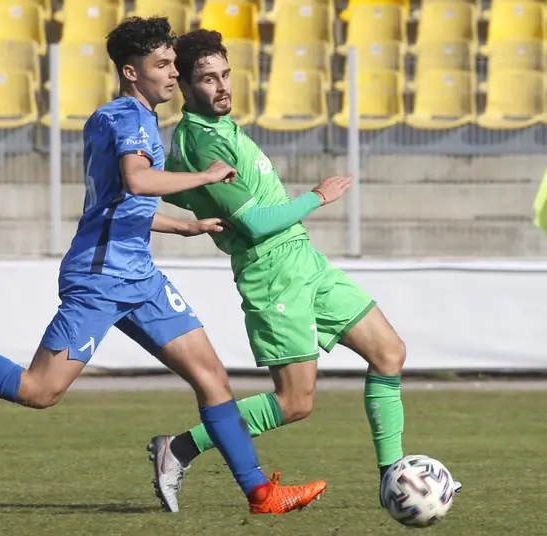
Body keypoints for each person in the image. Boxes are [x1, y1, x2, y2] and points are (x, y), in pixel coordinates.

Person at [0, 17, 326, 515]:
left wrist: (182, 226)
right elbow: (138, 181)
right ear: (131, 71)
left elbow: (119, 203)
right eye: (162, 64)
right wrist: (204, 176)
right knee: (39, 389)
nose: (172, 72)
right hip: (102, 277)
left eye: (172, 64)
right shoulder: (130, 119)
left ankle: (260, 493)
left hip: (139, 275)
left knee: (211, 378)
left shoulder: (120, 117)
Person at [148, 28, 462, 512]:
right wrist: (318, 196)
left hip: (303, 259)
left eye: (226, 74)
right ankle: (181, 448)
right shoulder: (204, 142)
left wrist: (201, 206)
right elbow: (254, 224)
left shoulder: (218, 130)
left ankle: (393, 477)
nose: (223, 86)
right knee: (295, 403)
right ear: (185, 86)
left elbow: (182, 192)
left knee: (389, 352)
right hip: (272, 272)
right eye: (208, 79)